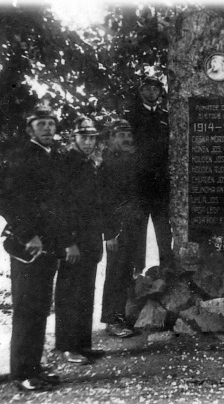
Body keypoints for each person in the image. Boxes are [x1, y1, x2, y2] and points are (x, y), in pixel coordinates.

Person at [0, 104, 80, 391]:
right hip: (28, 247)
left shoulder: (50, 157)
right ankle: (21, 374)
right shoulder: (22, 157)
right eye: (41, 123)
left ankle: (33, 368)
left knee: (40, 308)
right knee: (27, 309)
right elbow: (7, 200)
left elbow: (55, 206)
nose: (47, 128)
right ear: (30, 128)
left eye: (51, 124)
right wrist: (28, 234)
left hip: (47, 247)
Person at [54, 116, 118, 364]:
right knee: (69, 293)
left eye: (92, 138)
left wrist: (107, 233)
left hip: (90, 240)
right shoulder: (65, 165)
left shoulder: (90, 164)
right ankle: (67, 346)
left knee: (84, 292)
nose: (89, 142)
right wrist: (67, 242)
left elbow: (99, 204)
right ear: (74, 139)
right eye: (84, 137)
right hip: (73, 241)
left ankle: (82, 344)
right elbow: (59, 208)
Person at [127, 75, 175, 274]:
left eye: (156, 89)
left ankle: (167, 271)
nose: (152, 92)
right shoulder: (131, 116)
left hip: (161, 183)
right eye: (148, 89)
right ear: (141, 92)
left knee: (164, 230)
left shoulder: (166, 116)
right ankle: (138, 272)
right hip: (139, 182)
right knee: (138, 230)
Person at [100, 119, 142, 337]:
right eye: (121, 135)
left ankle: (120, 316)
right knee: (115, 272)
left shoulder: (132, 161)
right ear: (111, 139)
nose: (126, 139)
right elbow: (103, 201)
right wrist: (109, 233)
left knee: (126, 271)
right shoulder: (106, 164)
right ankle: (111, 319)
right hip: (116, 227)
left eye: (128, 135)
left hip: (132, 223)